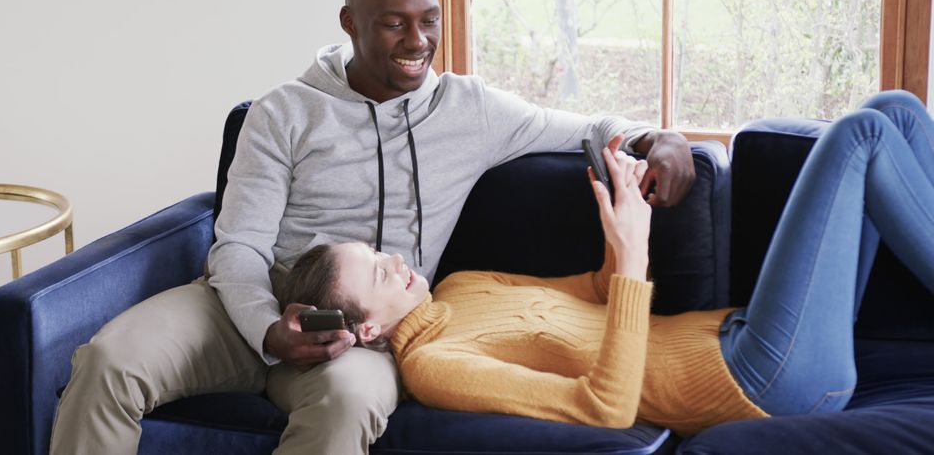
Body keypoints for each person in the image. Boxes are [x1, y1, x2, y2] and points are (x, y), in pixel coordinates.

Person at [49, 0, 696, 454]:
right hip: (248, 299)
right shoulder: (283, 112)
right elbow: (240, 243)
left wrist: (662, 139)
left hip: (364, 329)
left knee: (350, 405)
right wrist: (268, 327)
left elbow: (586, 126)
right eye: (394, 24)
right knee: (109, 362)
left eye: (428, 21)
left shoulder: (469, 110)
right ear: (350, 21)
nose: (417, 41)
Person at [283, 89, 934, 437]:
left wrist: (617, 217)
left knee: (894, 111)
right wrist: (633, 251)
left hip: (746, 334)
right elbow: (605, 409)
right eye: (375, 272)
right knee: (862, 134)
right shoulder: (435, 368)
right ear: (367, 329)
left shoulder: (462, 282)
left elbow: (596, 292)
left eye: (377, 250)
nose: (393, 259)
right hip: (762, 382)